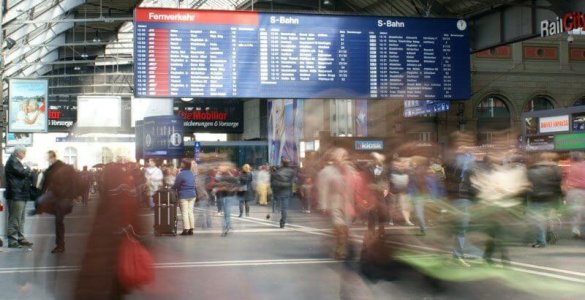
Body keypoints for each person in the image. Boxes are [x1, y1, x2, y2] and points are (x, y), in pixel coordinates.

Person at [33, 151, 80, 253]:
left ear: (52, 158)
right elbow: (75, 182)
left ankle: (60, 245)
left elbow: (46, 185)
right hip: (62, 198)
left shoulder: (55, 169)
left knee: (58, 221)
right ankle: (60, 245)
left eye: (48, 159)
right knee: (59, 221)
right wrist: (75, 195)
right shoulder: (65, 168)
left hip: (61, 198)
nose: (47, 161)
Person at [317, 148, 355, 259]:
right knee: (340, 227)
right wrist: (323, 205)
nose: (342, 158)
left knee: (345, 228)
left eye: (344, 156)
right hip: (334, 201)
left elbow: (354, 187)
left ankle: (338, 246)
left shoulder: (350, 170)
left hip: (347, 203)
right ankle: (340, 251)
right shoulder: (326, 172)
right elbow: (323, 189)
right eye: (340, 156)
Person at [526, 152, 563, 248]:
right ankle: (550, 235)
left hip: (538, 198)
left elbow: (530, 184)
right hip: (552, 198)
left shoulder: (533, 169)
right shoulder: (556, 169)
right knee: (549, 218)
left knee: (539, 220)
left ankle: (541, 241)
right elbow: (559, 184)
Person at [5, 146, 34, 248]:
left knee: (21, 219)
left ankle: (21, 238)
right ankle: (12, 241)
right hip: (16, 194)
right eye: (23, 152)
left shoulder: (15, 161)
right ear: (18, 153)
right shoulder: (13, 161)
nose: (25, 154)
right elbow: (23, 173)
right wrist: (29, 167)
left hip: (20, 194)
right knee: (15, 218)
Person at [211, 163, 240, 237]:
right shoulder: (222, 176)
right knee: (226, 214)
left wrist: (226, 188)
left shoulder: (227, 177)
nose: (220, 168)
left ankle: (225, 228)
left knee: (226, 214)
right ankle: (228, 227)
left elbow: (237, 185)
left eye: (221, 167)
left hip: (228, 197)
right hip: (224, 197)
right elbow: (215, 182)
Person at [564, 151, 585, 239]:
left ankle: (575, 230)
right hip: (583, 190)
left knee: (575, 211)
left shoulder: (569, 168)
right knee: (580, 211)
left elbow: (565, 180)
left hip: (572, 192)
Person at [270, 158, 296, 228]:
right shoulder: (292, 171)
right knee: (284, 208)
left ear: (282, 163)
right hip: (287, 191)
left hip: (278, 191)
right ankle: (282, 222)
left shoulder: (277, 171)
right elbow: (293, 182)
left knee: (278, 204)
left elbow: (272, 181)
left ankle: (274, 209)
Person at [173, 159, 196, 236]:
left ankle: (186, 229)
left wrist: (171, 188)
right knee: (190, 212)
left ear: (184, 165)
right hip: (192, 194)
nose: (181, 164)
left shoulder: (181, 174)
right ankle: (191, 229)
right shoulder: (191, 173)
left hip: (184, 195)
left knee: (185, 212)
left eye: (182, 163)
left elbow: (176, 185)